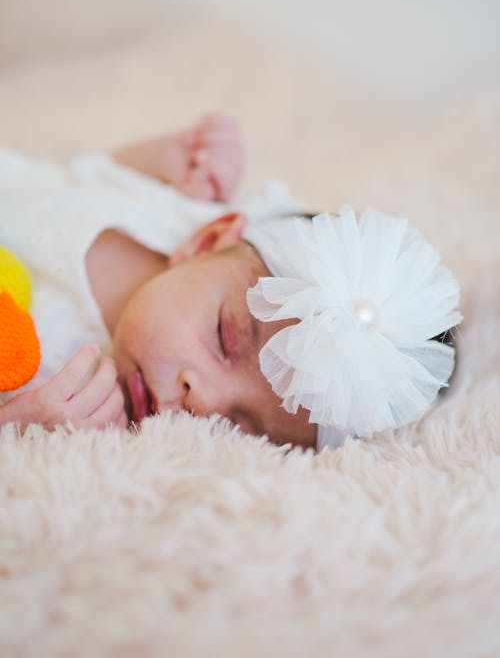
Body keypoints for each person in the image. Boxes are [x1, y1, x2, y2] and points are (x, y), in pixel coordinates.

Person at [0, 114, 462, 450]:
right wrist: (171, 156)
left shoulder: (79, 403)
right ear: (206, 241)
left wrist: (24, 426)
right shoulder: (170, 213)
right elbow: (86, 176)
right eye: (223, 338)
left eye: (244, 425)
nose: (202, 399)